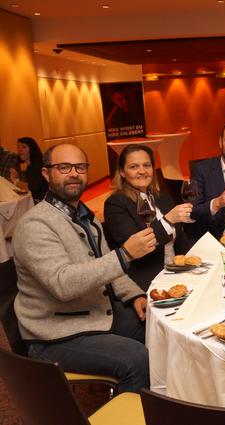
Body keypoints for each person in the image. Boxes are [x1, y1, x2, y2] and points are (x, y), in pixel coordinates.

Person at [13, 143, 157, 393]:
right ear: (46, 173)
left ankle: (165, 403)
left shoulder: (84, 216)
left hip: (94, 313)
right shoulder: (35, 224)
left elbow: (107, 266)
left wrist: (134, 294)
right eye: (64, 167)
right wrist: (125, 254)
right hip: (54, 334)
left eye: (80, 167)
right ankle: (134, 411)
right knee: (136, 359)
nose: (73, 173)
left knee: (159, 329)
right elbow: (63, 284)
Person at [103, 144, 193, 291]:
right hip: (147, 281)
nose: (142, 171)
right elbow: (139, 248)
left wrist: (194, 263)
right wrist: (168, 220)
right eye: (134, 167)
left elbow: (180, 239)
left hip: (177, 273)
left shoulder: (161, 196)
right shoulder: (115, 204)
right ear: (122, 172)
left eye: (147, 165)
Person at [9, 137, 47, 202]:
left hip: (42, 202)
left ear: (32, 149)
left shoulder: (37, 165)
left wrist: (15, 180)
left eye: (24, 147)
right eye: (18, 147)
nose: (20, 149)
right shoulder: (31, 166)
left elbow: (32, 188)